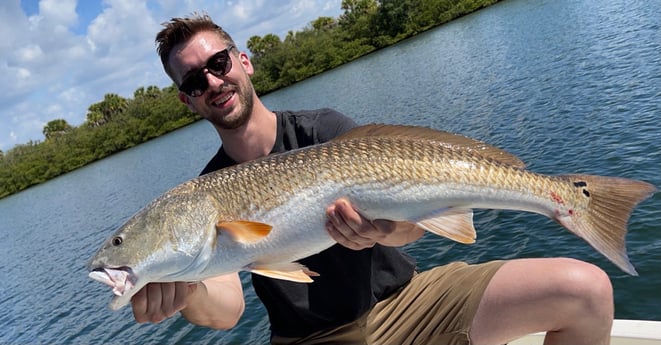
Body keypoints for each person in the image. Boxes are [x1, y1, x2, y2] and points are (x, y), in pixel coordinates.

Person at [130, 13, 614, 345]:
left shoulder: (325, 131)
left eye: (218, 64)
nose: (212, 82)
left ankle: (568, 200)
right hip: (312, 337)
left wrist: (384, 230)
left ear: (243, 62)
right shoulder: (203, 196)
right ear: (186, 100)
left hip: (407, 303)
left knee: (586, 290)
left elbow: (412, 226)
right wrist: (188, 289)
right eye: (194, 81)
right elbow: (227, 311)